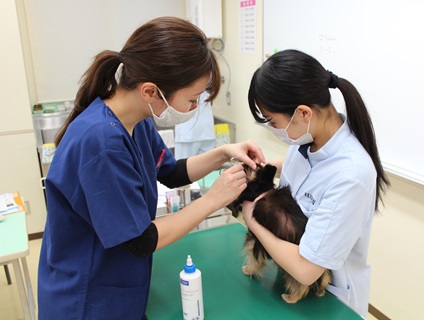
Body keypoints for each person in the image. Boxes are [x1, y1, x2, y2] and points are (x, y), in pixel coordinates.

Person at [37, 17, 265, 320]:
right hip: (87, 300)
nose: (194, 108)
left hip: (117, 288)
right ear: (150, 91)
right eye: (192, 99)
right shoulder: (101, 144)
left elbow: (170, 172)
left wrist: (224, 152)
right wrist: (213, 199)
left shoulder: (136, 121)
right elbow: (140, 240)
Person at [242, 49, 390, 318]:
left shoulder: (351, 174)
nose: (273, 129)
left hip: (330, 301)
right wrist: (260, 168)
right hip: (291, 287)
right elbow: (304, 173)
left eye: (273, 121)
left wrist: (251, 217)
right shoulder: (308, 141)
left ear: (303, 113)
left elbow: (305, 269)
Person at [174, 91, 216, 159]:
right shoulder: (209, 81)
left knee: (182, 166)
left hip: (187, 132)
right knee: (206, 167)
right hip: (206, 130)